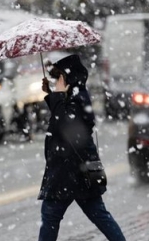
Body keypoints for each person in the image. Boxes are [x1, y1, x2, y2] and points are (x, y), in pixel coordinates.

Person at [38, 54, 125, 241]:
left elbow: (66, 124)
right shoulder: (76, 93)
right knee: (99, 214)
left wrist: (58, 95)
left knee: (50, 215)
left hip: (68, 171)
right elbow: (64, 117)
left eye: (59, 75)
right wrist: (52, 95)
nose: (56, 79)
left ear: (67, 76)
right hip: (79, 170)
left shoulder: (77, 96)